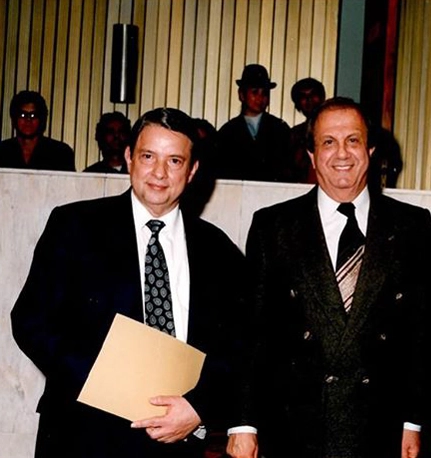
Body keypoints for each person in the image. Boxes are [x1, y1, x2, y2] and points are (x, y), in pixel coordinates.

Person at [11, 107, 252, 457]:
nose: (159, 173)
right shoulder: (74, 226)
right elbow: (31, 322)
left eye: (174, 161)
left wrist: (200, 407)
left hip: (178, 442)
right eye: (148, 156)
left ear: (193, 170)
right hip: (83, 436)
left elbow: (239, 345)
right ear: (128, 157)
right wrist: (109, 385)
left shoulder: (219, 250)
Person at [228, 97, 431, 458]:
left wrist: (413, 422)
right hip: (294, 429)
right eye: (328, 142)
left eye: (353, 140)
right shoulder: (273, 227)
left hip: (382, 429)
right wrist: (243, 424)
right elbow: (252, 334)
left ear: (371, 149)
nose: (341, 153)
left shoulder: (414, 228)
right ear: (312, 155)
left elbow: (420, 337)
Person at [216, 64, 290, 181]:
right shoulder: (228, 132)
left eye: (265, 93)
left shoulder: (280, 129)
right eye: (255, 92)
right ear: (242, 95)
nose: (260, 98)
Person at [0, 90, 75, 171]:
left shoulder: (61, 153)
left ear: (42, 119)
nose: (28, 120)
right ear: (14, 119)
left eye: (33, 115)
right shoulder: (2, 151)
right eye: (22, 115)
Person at [285, 77, 326, 183]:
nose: (309, 100)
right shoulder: (293, 134)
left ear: (322, 98)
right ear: (297, 104)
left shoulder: (334, 129)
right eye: (303, 96)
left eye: (313, 95)